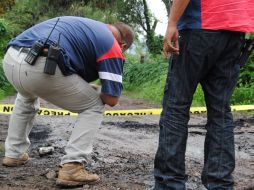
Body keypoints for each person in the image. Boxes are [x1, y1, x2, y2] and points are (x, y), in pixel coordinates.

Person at [2, 16, 134, 187]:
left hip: (11, 59)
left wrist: (87, 88)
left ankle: (14, 153)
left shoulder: (86, 27)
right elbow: (112, 99)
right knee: (93, 105)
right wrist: (98, 91)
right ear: (123, 46)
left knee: (26, 95)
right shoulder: (112, 45)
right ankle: (73, 167)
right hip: (42, 66)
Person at [154, 0, 254, 189]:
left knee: (176, 106)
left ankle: (169, 183)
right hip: (235, 29)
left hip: (200, 24)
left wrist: (172, 23)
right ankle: (220, 183)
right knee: (220, 111)